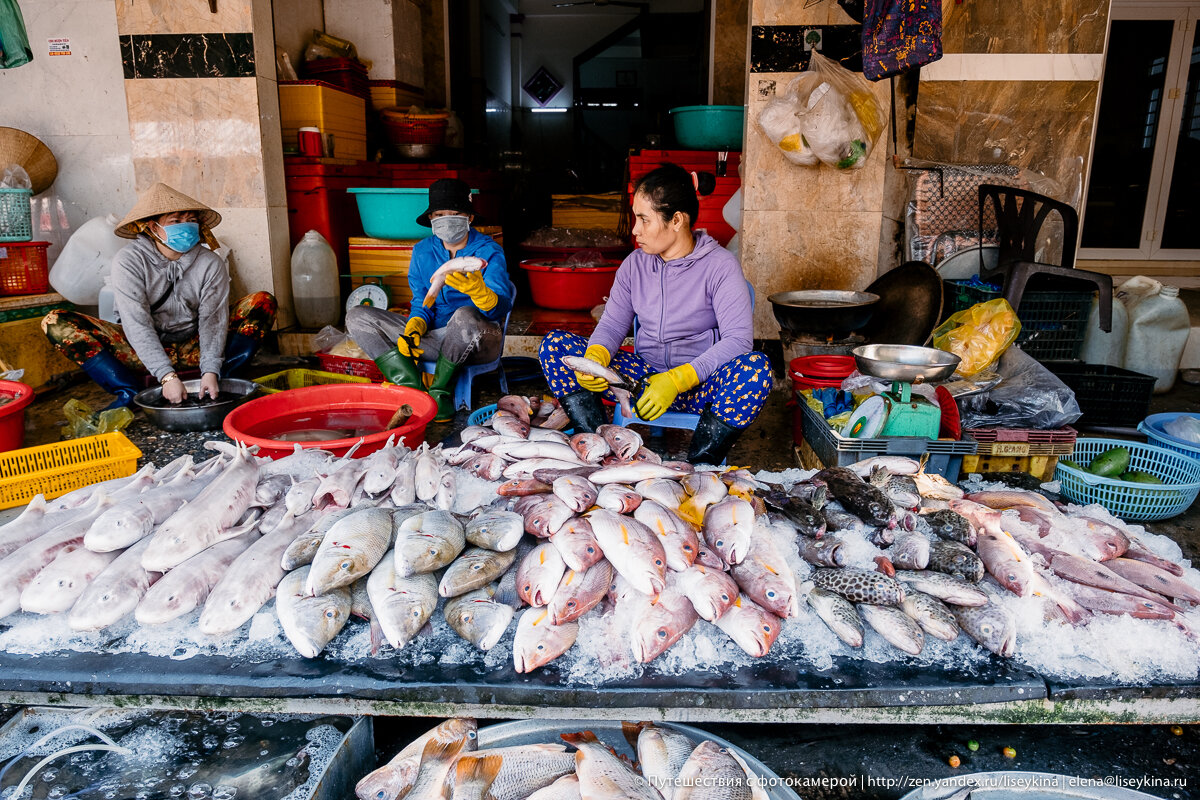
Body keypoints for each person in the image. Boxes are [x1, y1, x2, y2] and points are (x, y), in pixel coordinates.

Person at [538, 164, 772, 464]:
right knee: (557, 347)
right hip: (639, 381)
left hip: (699, 386)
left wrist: (676, 380)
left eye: (644, 220)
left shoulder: (720, 266)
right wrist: (596, 358)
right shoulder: (634, 265)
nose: (635, 230)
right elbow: (611, 324)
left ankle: (700, 468)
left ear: (676, 220)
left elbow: (738, 341)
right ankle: (598, 448)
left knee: (756, 369)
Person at [42, 183, 277, 410]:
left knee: (261, 302)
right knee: (55, 322)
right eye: (176, 221)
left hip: (192, 346)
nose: (185, 226)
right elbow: (136, 322)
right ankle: (131, 394)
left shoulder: (210, 263)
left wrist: (210, 371)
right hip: (139, 349)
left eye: (191, 220)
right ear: (153, 228)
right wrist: (166, 376)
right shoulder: (129, 261)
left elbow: (212, 321)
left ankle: (220, 383)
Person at [345, 178, 514, 422]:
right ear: (431, 219)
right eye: (440, 214)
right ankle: (413, 389)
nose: (447, 219)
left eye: (455, 213)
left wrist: (481, 294)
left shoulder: (489, 251)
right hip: (435, 340)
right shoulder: (422, 251)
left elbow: (502, 305)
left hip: (477, 340)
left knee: (464, 314)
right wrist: (416, 324)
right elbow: (421, 302)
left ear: (470, 218)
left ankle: (440, 392)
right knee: (358, 316)